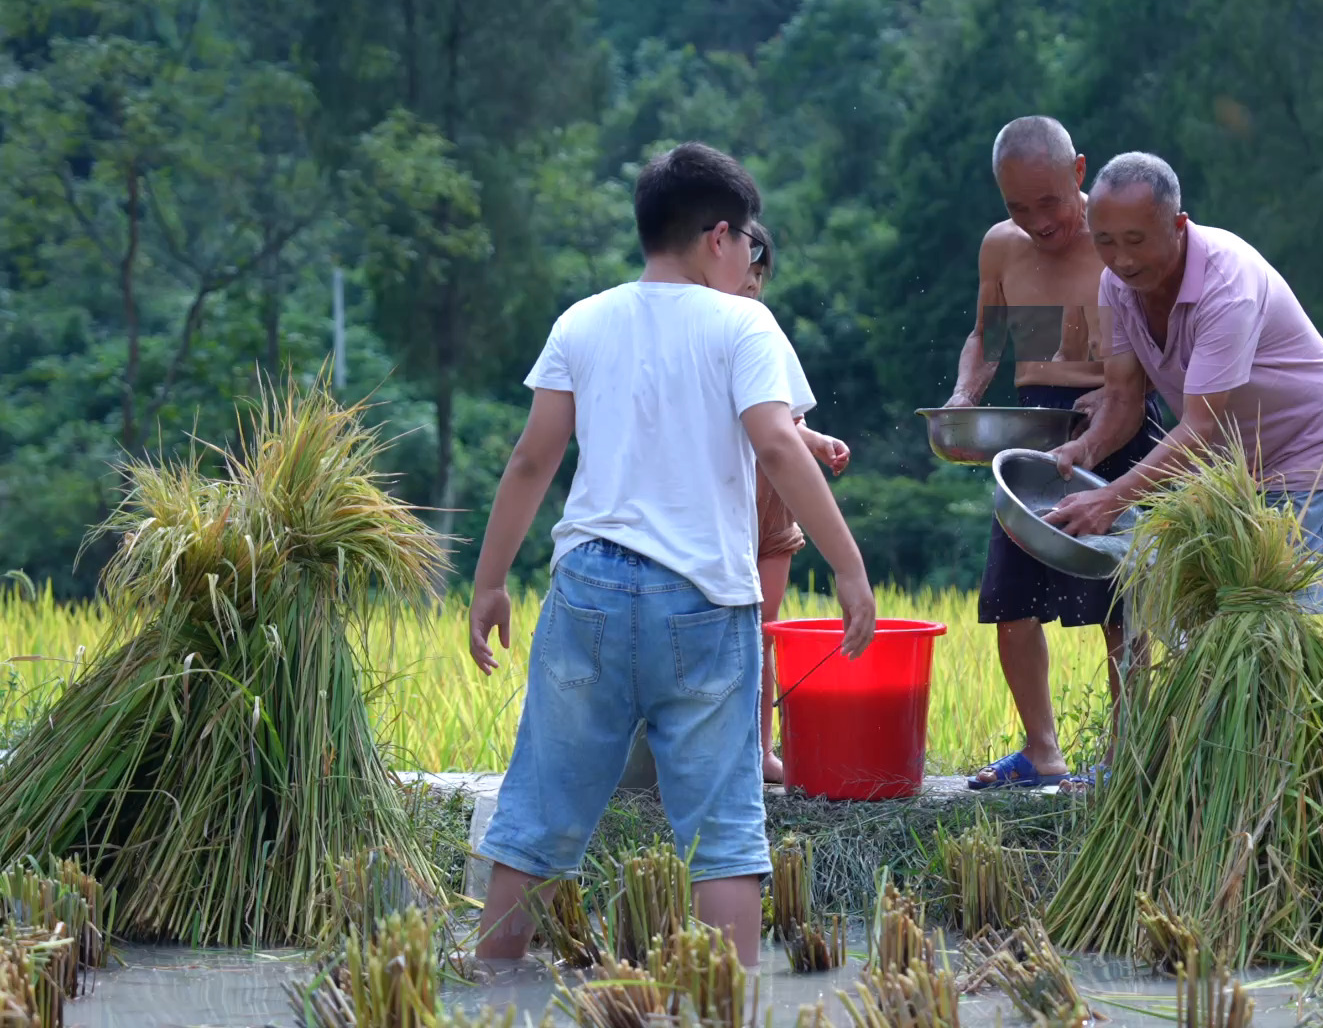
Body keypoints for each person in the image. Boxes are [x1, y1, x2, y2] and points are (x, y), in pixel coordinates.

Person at [463, 142, 877, 967]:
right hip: (704, 600)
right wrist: (849, 566)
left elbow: (532, 460)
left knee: (538, 815)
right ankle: (732, 1006)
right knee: (723, 830)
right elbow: (780, 447)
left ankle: (489, 992)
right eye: (746, 243)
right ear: (719, 236)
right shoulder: (744, 324)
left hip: (588, 588)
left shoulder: (582, 320)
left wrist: (490, 581)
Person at [944, 116, 1165, 791]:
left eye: (1051, 201)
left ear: (1079, 175)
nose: (1039, 220)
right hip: (1034, 437)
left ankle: (1126, 758)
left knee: (1125, 607)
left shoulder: (1120, 243)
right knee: (1007, 602)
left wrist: (1120, 393)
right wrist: (963, 396)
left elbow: (1173, 344)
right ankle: (1042, 751)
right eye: (1019, 206)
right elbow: (987, 339)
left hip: (1123, 426)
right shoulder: (1001, 250)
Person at [1046, 151, 1323, 616]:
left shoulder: (1227, 285)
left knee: (1283, 619)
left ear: (1177, 225)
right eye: (1106, 241)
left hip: (1301, 444)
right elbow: (1124, 396)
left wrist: (1110, 499)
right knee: (1210, 616)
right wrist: (1085, 451)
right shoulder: (1115, 284)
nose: (1122, 259)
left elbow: (1199, 427)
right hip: (1226, 461)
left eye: (1136, 239)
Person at [738, 220, 852, 783]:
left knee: (764, 629)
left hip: (772, 500)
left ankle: (759, 751)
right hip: (720, 503)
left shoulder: (763, 328)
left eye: (761, 274)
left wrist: (819, 441)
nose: (752, 284)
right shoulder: (702, 329)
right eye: (746, 269)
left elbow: (785, 425)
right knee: (718, 628)